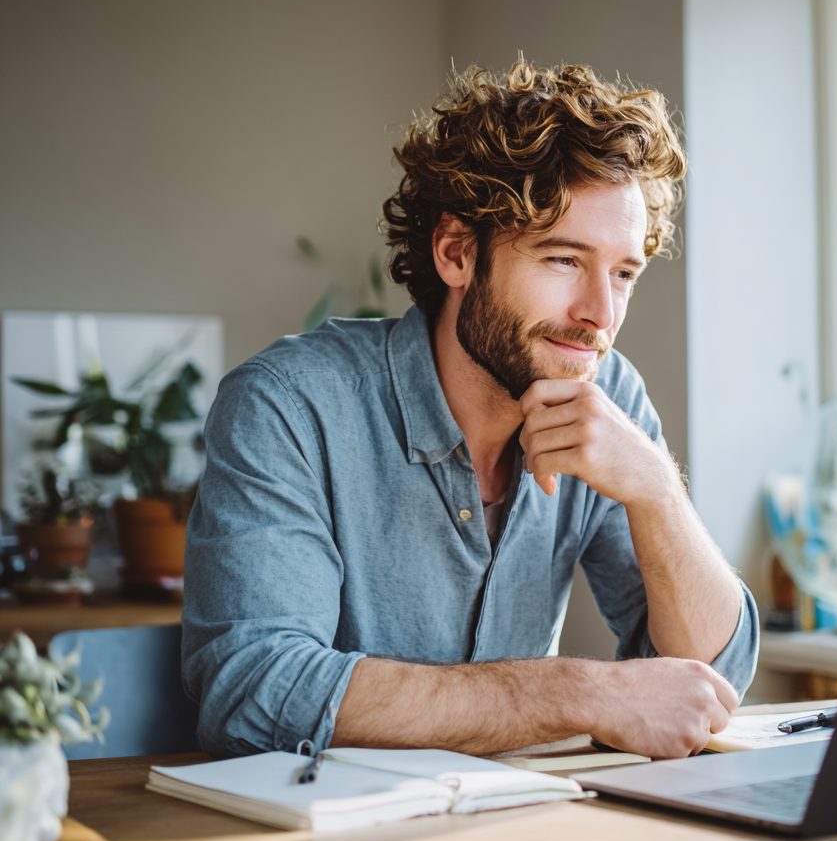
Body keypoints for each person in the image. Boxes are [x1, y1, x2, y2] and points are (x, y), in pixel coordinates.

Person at [182, 59, 759, 760]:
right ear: (457, 252)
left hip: (511, 833)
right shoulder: (290, 405)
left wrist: (659, 495)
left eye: (624, 273)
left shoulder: (609, 399)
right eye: (562, 261)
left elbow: (714, 686)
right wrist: (574, 693)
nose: (599, 316)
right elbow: (253, 689)